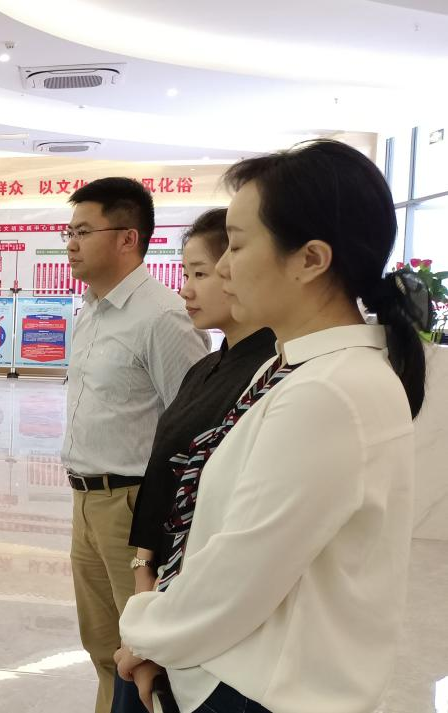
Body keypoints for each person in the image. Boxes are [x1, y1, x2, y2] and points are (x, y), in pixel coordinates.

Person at [118, 139, 427, 713]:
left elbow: (238, 577)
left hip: (261, 688)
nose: (224, 268)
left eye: (236, 245)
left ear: (310, 260)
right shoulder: (291, 368)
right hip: (230, 666)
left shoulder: (329, 391)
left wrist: (144, 631)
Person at [111, 209, 277, 713]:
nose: (186, 289)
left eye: (201, 273)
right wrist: (144, 575)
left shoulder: (275, 378)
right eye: (187, 273)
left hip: (200, 620)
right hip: (161, 597)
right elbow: (165, 473)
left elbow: (230, 528)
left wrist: (158, 631)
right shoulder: (207, 367)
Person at [61, 178, 211, 713]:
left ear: (128, 237)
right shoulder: (91, 310)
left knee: (144, 653)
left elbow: (195, 429)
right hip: (86, 500)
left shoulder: (162, 317)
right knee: (103, 645)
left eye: (83, 231)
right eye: (69, 232)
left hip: (133, 505)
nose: (71, 244)